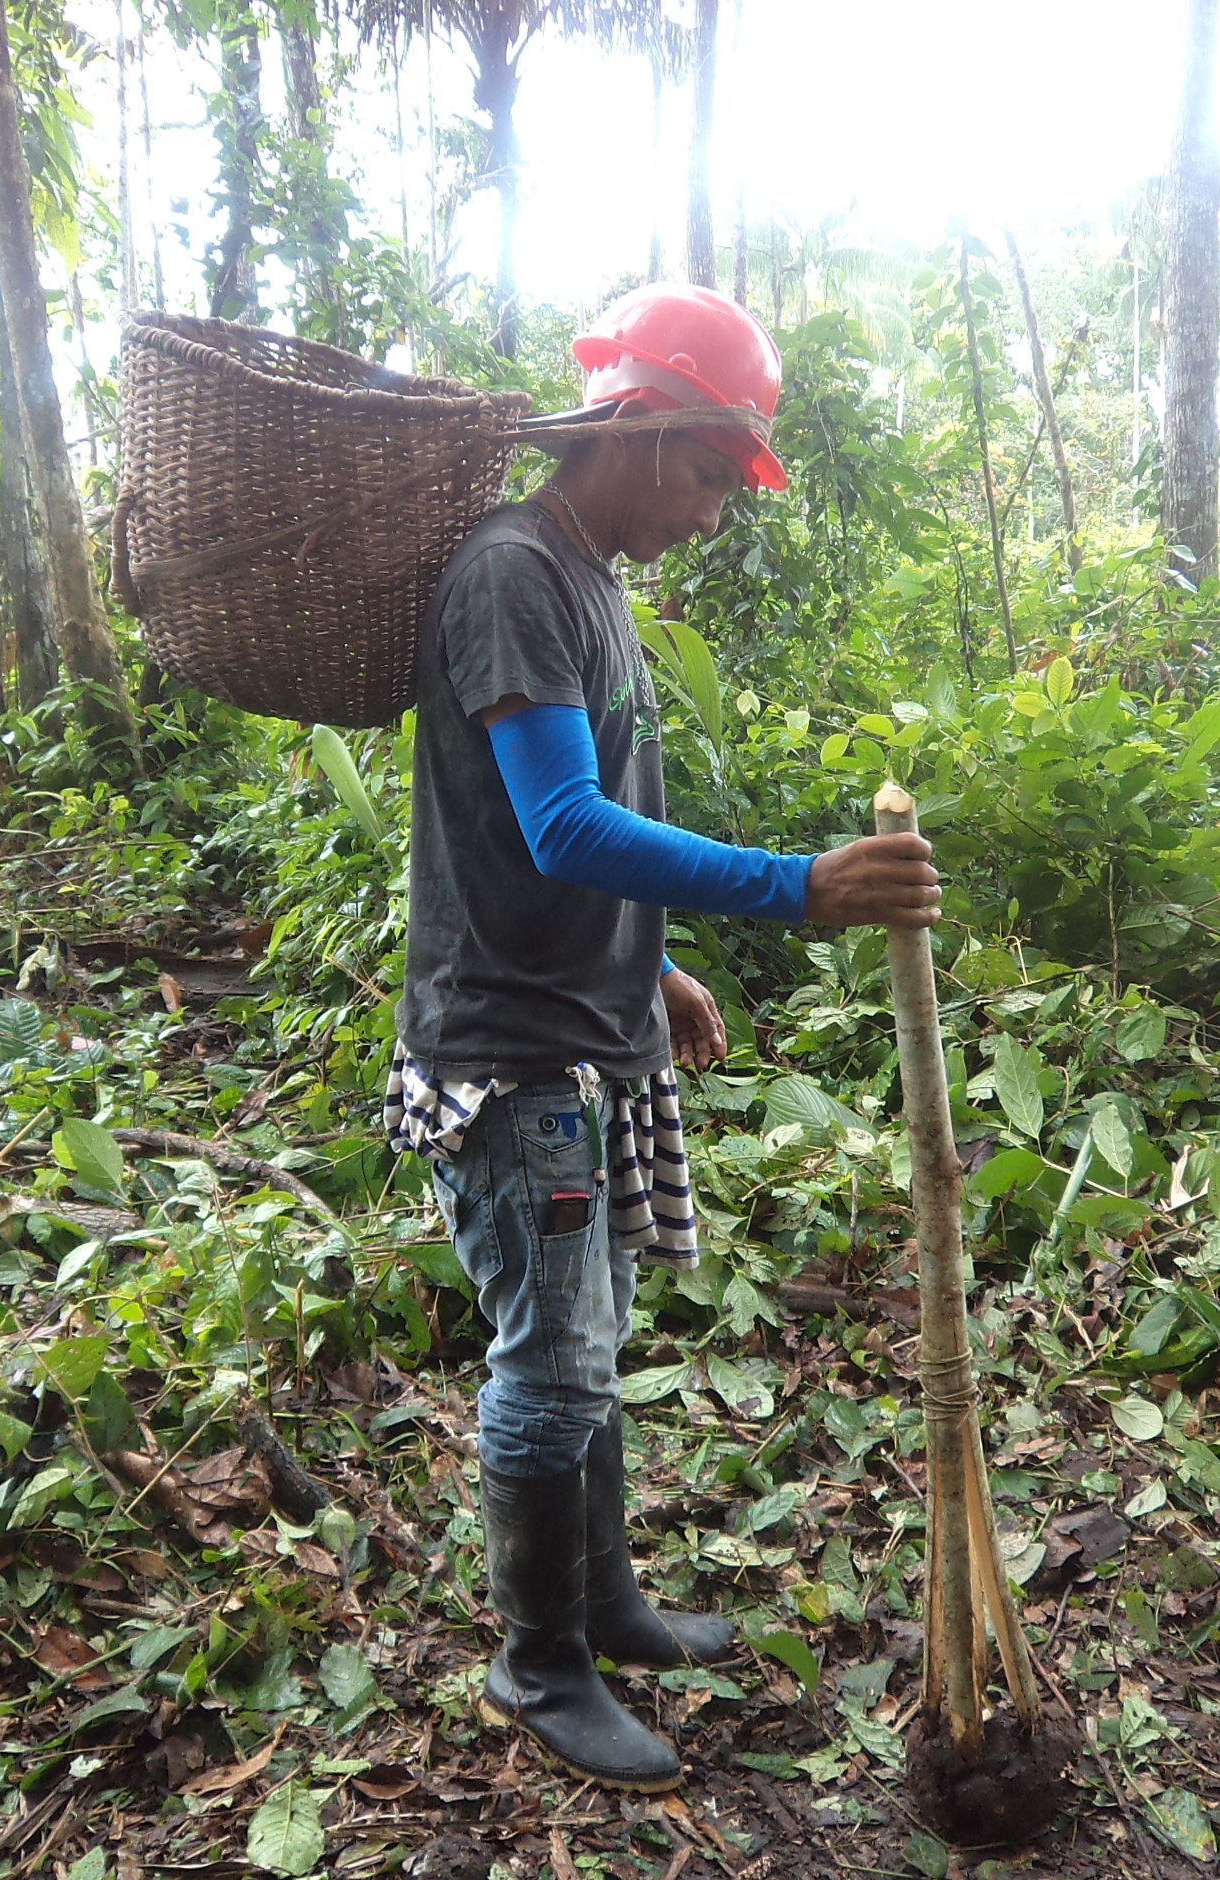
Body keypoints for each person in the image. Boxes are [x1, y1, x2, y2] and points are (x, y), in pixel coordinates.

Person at [384, 283, 941, 1792]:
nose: (710, 513)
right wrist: (793, 890)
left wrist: (659, 967)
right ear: (636, 430)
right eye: (706, 475)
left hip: (588, 1025)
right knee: (551, 1353)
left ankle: (606, 1604)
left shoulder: (594, 579)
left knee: (593, 1332)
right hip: (510, 1045)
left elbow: (574, 828)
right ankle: (537, 1659)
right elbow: (561, 826)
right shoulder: (514, 575)